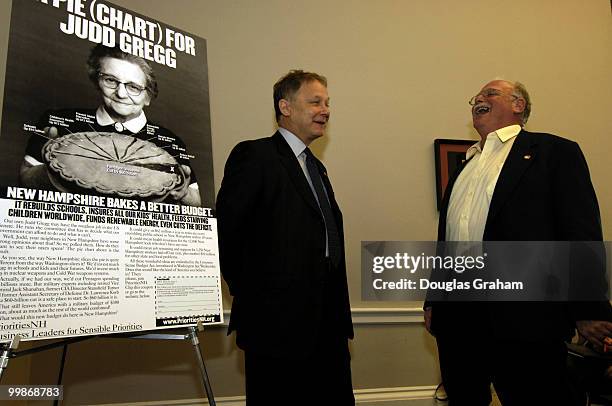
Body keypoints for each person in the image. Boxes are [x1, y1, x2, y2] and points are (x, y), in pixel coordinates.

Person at [424, 79, 612, 405]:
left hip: (527, 318)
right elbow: (451, 240)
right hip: (457, 318)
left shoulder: (555, 152)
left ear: (518, 105)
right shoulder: (465, 167)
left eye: (490, 93)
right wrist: (433, 299)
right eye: (475, 97)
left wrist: (588, 307)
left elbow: (580, 232)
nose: (477, 100)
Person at [216, 70, 354, 405]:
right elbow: (227, 232)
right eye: (315, 101)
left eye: (327, 103)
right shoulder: (255, 155)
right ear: (286, 107)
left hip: (328, 323)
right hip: (275, 326)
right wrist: (254, 295)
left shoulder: (317, 168)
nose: (325, 110)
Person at [19, 44, 201, 206]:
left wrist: (183, 192)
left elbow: (196, 201)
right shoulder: (60, 121)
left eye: (133, 87)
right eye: (110, 80)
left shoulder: (170, 141)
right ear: (97, 81)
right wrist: (52, 168)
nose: (121, 94)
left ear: (148, 96)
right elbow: (24, 178)